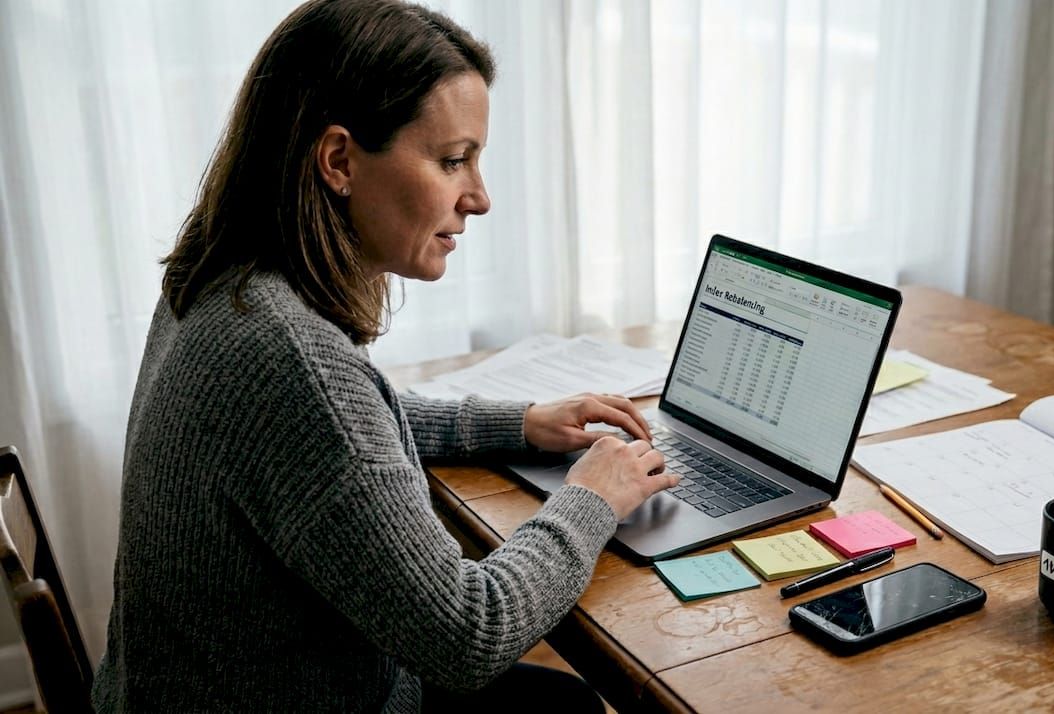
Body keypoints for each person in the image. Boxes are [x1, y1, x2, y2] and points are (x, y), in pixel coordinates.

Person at [91, 1, 678, 711]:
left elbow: (345, 432)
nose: (481, 198)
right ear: (339, 160)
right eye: (453, 159)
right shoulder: (288, 359)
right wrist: (592, 497)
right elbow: (471, 632)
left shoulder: (225, 279)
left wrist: (516, 424)